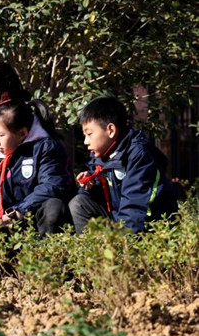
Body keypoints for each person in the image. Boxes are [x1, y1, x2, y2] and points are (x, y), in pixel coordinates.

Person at [68, 95, 178, 233]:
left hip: (151, 228)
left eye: (89, 134)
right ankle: (92, 251)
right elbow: (106, 193)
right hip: (119, 219)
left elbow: (135, 206)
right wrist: (91, 186)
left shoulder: (139, 156)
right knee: (79, 204)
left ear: (111, 130)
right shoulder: (101, 154)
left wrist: (123, 246)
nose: (85, 142)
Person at [0, 100, 72, 234]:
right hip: (6, 222)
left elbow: (53, 184)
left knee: (53, 206)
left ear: (23, 133)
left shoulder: (45, 148)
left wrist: (17, 211)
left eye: (1, 135)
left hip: (33, 219)